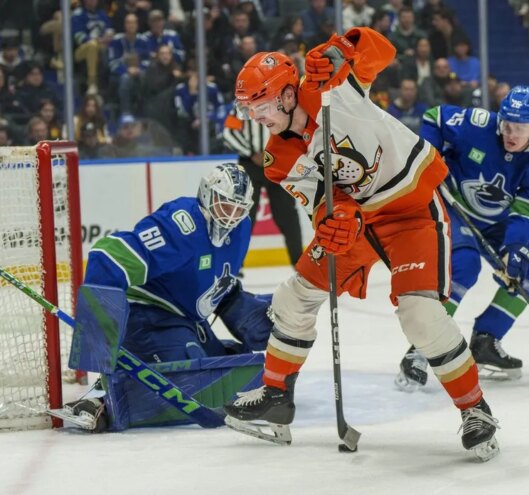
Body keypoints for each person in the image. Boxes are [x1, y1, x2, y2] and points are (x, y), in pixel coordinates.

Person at [222, 27, 500, 461]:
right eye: (248, 109)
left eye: (260, 106)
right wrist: (333, 220)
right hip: (360, 225)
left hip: (409, 211)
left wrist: (341, 49)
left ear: (287, 95)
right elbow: (319, 201)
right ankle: (276, 395)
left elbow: (381, 51)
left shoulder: (332, 88)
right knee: (293, 297)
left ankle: (475, 410)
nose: (254, 117)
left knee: (421, 316)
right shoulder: (278, 158)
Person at [60, 163, 274, 431]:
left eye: (239, 209)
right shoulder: (182, 224)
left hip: (187, 322)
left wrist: (252, 314)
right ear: (207, 195)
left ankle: (120, 382)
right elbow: (109, 256)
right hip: (148, 318)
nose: (231, 216)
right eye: (225, 205)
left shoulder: (241, 228)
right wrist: (100, 331)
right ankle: (98, 399)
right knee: (189, 376)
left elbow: (219, 284)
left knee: (238, 368)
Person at [395, 86, 529, 391]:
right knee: (465, 265)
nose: (511, 134)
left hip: (496, 225)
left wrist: (514, 247)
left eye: (520, 128)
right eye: (507, 125)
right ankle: (421, 349)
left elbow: (526, 211)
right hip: (452, 207)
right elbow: (435, 117)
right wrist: (430, 161)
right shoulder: (478, 123)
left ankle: (486, 339)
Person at [223, 105, 303, 266]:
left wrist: (280, 152)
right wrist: (251, 153)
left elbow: (296, 131)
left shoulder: (283, 103)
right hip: (250, 164)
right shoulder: (242, 106)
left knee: (287, 214)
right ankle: (234, 265)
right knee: (243, 214)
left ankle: (300, 263)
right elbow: (228, 133)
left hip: (279, 163)